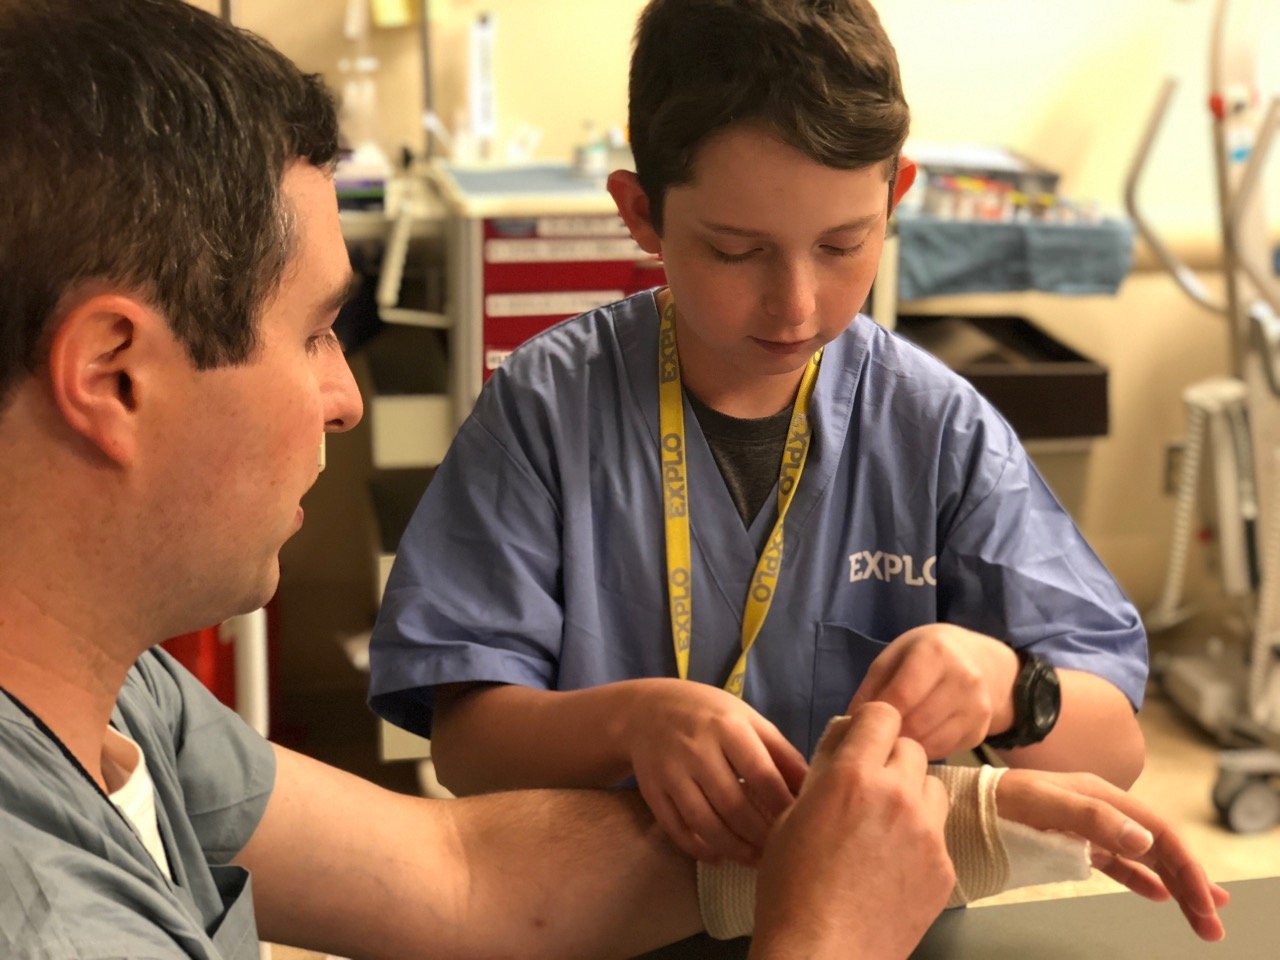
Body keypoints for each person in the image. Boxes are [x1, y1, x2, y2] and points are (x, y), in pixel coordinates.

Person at [0, 2, 1228, 958]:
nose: (348, 397)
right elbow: (476, 761)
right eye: (320, 331)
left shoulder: (137, 714)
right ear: (112, 377)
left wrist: (979, 796)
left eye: (841, 245)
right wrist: (810, 914)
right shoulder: (45, 903)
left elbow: (461, 877)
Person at [369, 0, 1150, 871]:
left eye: (844, 243)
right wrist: (629, 726)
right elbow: (469, 746)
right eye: (736, 253)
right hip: (604, 905)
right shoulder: (549, 409)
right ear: (641, 214)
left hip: (862, 907)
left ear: (895, 198)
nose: (797, 306)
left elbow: (1114, 747)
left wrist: (1011, 691)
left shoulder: (937, 431)